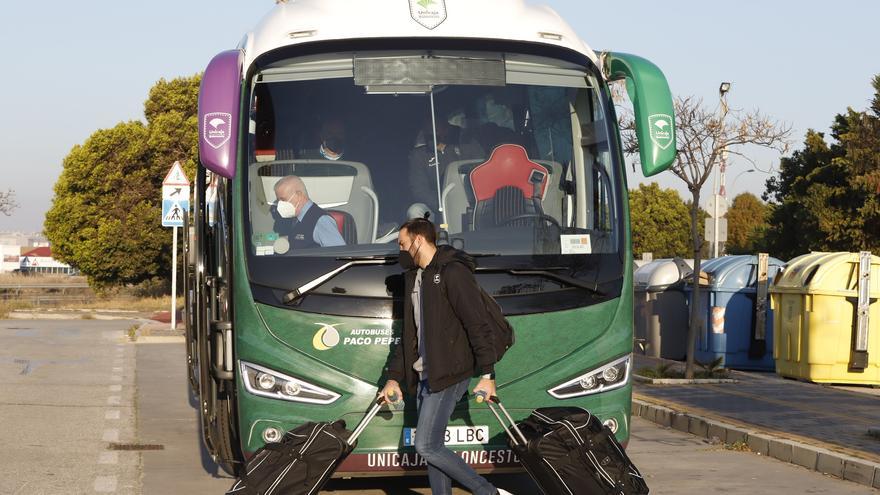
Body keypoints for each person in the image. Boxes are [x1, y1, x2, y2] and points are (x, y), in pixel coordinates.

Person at [380, 218, 510, 495]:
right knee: (434, 446)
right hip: (425, 373)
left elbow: (477, 324)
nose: (400, 251)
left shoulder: (452, 272)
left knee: (426, 445)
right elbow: (409, 338)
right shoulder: (413, 278)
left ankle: (488, 492)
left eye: (402, 244)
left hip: (450, 372)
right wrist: (393, 378)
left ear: (418, 241)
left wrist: (488, 375)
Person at [408, 119, 482, 213]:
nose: (435, 128)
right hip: (437, 206)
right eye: (430, 125)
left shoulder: (466, 145)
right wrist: (441, 205)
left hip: (469, 199)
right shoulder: (419, 155)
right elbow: (420, 190)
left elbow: (482, 170)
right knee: (415, 210)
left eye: (438, 123)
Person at [271, 175, 345, 251]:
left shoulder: (320, 221)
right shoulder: (294, 219)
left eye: (283, 199)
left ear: (299, 195)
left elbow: (340, 253)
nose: (280, 204)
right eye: (278, 201)